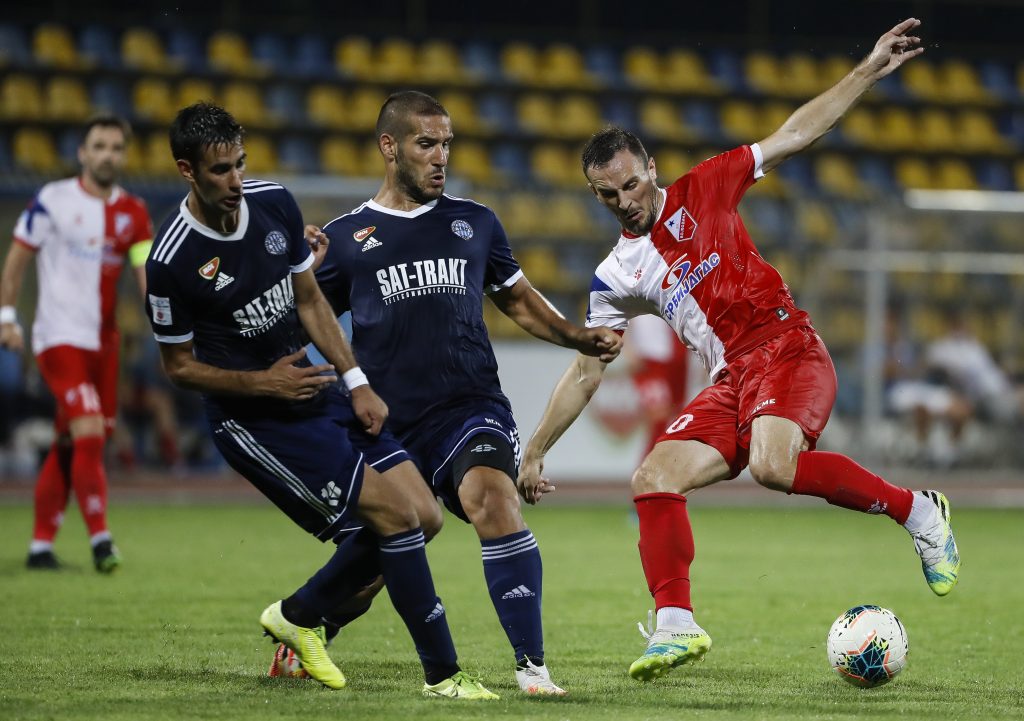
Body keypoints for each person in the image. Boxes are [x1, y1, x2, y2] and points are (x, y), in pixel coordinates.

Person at [517, 18, 961, 683]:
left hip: (787, 347)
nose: (625, 202)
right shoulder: (616, 276)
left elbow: (796, 133)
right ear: (594, 194)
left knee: (772, 466)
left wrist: (868, 70)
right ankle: (675, 624)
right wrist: (535, 448)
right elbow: (586, 370)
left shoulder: (709, 184)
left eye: (631, 185)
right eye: (608, 194)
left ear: (651, 169)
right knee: (652, 478)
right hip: (731, 380)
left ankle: (918, 510)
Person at [268, 90, 621, 696]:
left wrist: (575, 336)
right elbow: (300, 320)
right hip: (388, 424)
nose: (441, 157)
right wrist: (295, 277)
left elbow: (516, 299)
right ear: (389, 147)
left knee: (493, 498)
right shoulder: (346, 238)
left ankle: (532, 669)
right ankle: (308, 625)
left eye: (447, 144)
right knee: (387, 554)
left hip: (469, 406)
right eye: (426, 144)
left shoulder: (474, 222)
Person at [144, 102, 497, 699]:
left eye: (240, 164)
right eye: (220, 171)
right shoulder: (171, 259)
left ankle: (300, 615)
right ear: (187, 170)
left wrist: (356, 382)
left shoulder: (274, 203)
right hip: (254, 418)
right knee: (396, 519)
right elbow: (178, 367)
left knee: (425, 516)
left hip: (311, 385)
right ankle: (443, 675)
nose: (235, 181)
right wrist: (264, 383)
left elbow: (309, 299)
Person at [0, 115, 153, 572]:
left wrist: (168, 324)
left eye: (115, 147)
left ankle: (40, 547)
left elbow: (146, 276)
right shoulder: (52, 200)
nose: (107, 155)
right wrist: (7, 318)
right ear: (83, 153)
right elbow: (16, 263)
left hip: (104, 344)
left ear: (124, 155)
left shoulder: (135, 213)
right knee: (88, 430)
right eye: (99, 146)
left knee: (72, 441)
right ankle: (102, 542)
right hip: (58, 337)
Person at [626, 313, 694, 459]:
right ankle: (648, 465)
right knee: (659, 415)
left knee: (676, 415)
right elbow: (619, 315)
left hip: (673, 356)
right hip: (647, 358)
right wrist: (629, 350)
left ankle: (665, 464)